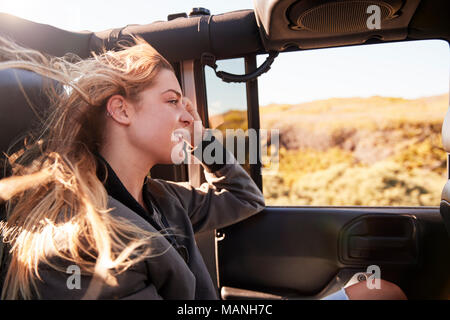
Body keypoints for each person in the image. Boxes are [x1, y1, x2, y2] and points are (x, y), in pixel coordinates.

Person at [0, 35, 406, 300]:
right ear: (121, 110)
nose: (189, 115)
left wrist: (202, 142)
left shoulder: (161, 198)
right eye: (173, 101)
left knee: (374, 288)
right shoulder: (82, 242)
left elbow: (245, 198)